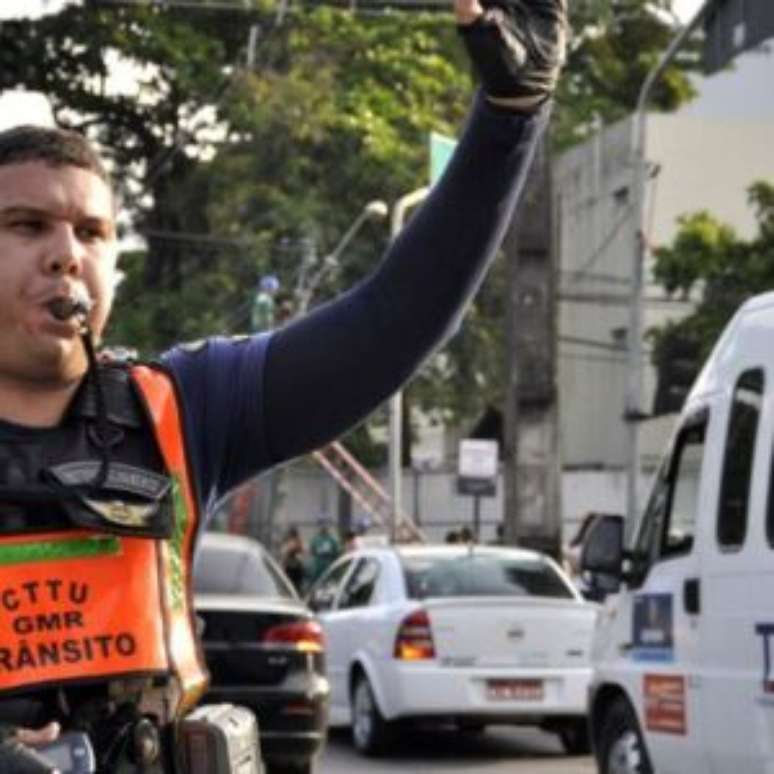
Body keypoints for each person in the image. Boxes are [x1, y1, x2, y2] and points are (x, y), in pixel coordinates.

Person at [0, 0, 566, 768]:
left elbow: (391, 324)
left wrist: (512, 114)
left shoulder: (180, 409)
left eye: (93, 233)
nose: (67, 255)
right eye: (27, 226)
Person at [308, 517, 341, 582]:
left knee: (328, 579)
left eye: (325, 525)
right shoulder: (316, 539)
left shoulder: (331, 539)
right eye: (321, 525)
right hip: (318, 563)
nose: (323, 527)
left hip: (328, 562)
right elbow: (312, 550)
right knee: (317, 579)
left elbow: (336, 552)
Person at [280, 525, 306, 593]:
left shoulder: (298, 541)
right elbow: (284, 554)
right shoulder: (287, 541)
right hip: (290, 566)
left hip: (296, 566)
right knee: (290, 584)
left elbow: (301, 553)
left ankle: (297, 592)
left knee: (297, 584)